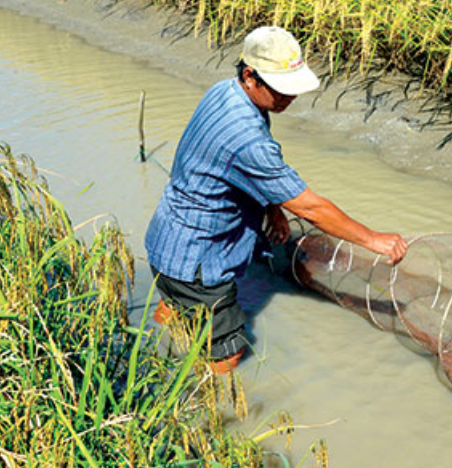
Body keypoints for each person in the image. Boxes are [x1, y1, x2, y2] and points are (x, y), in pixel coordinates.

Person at [145, 26, 408, 373]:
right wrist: (374, 240)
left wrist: (273, 207)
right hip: (197, 262)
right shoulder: (246, 136)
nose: (289, 98)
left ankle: (155, 348)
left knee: (175, 307)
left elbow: (244, 170)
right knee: (226, 354)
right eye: (282, 89)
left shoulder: (224, 92)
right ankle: (212, 406)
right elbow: (311, 208)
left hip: (167, 242)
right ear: (251, 75)